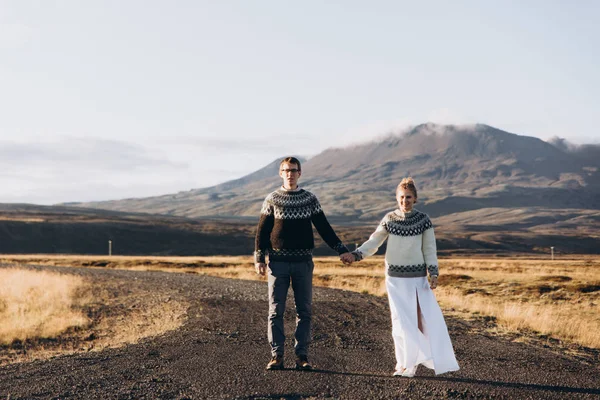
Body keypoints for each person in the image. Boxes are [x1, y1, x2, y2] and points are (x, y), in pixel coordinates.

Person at [341, 177, 459, 377]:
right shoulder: (389, 219)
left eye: (409, 197)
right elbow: (374, 241)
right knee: (400, 322)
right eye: (402, 197)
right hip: (394, 279)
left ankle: (411, 363)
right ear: (397, 198)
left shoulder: (423, 221)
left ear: (415, 199)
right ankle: (403, 364)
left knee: (416, 321)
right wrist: (356, 255)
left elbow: (430, 249)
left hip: (417, 279)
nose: (405, 201)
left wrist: (434, 272)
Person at [254, 156, 351, 371]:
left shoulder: (309, 199)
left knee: (304, 311)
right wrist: (259, 258)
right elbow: (262, 231)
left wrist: (341, 250)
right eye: (286, 170)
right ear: (281, 173)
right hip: (277, 262)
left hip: (303, 263)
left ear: (300, 173)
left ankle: (301, 356)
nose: (290, 174)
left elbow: (324, 227)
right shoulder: (272, 199)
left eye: (294, 170)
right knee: (275, 310)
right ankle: (277, 356)